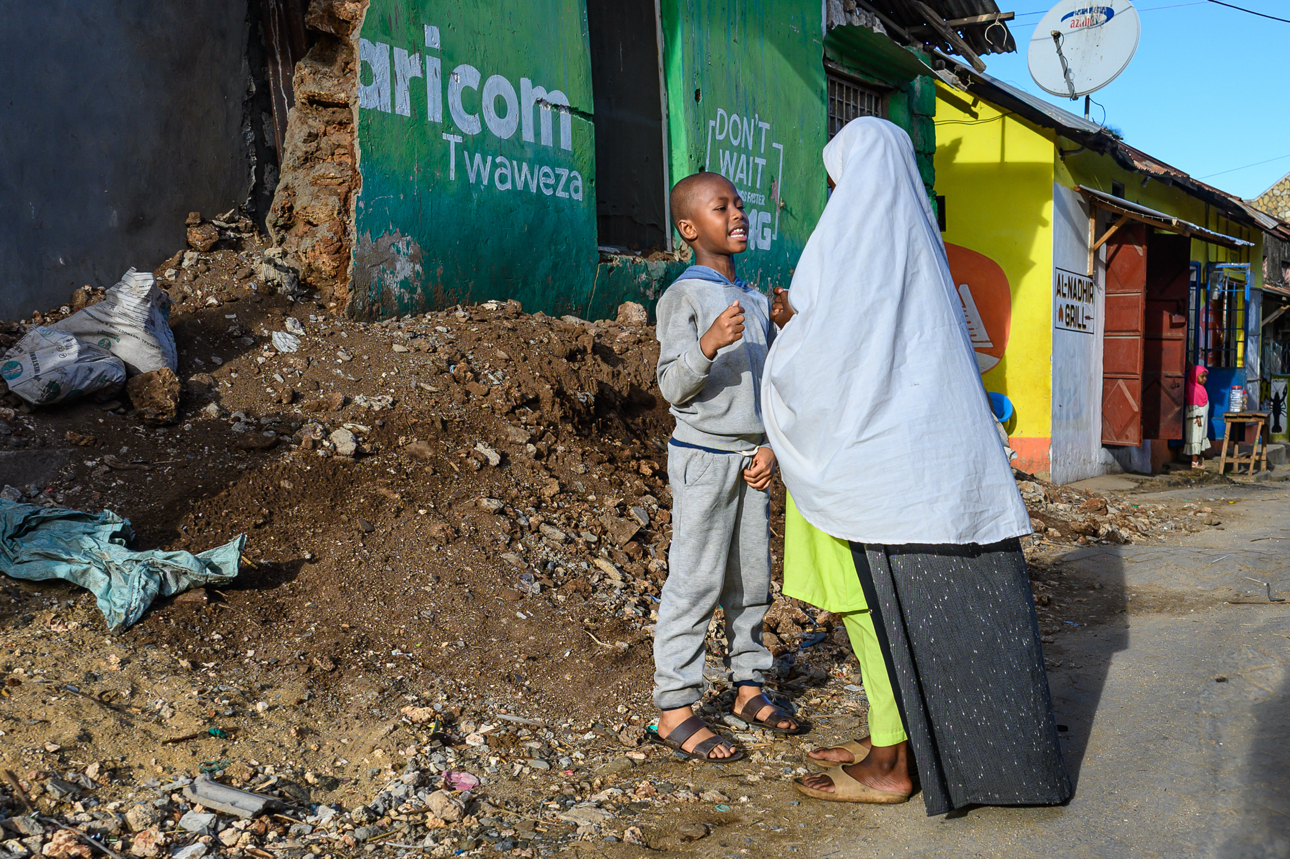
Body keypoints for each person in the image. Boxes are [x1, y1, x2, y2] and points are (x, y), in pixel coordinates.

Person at [761, 118, 1071, 813]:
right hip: (922, 470)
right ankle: (892, 736)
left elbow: (830, 356)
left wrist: (787, 327)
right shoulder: (919, 244)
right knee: (890, 612)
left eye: (839, 179)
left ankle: (890, 761)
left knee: (871, 608)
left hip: (865, 468)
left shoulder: (852, 242)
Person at [649, 171, 806, 763]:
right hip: (703, 458)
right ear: (690, 229)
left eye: (739, 204)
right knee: (695, 580)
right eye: (721, 208)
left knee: (751, 581)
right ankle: (675, 707)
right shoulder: (684, 297)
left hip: (752, 459)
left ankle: (747, 686)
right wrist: (709, 343)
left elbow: (770, 385)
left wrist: (770, 445)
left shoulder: (756, 300)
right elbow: (672, 385)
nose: (738, 214)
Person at [1185, 364, 1211, 468]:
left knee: (1199, 438)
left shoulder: (1201, 389)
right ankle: (1194, 462)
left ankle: (1198, 459)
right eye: (1202, 376)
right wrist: (1197, 416)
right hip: (1196, 419)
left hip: (1201, 418)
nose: (1204, 379)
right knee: (1195, 438)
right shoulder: (1193, 389)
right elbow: (1192, 405)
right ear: (1194, 377)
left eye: (1205, 376)